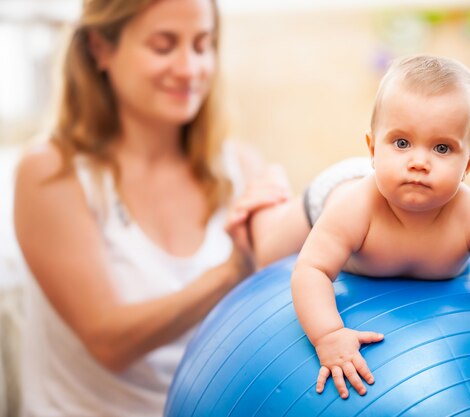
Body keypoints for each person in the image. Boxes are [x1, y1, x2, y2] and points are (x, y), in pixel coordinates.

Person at [13, 0, 288, 415]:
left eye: (202, 45)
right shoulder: (52, 172)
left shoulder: (238, 166)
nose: (189, 69)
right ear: (100, 49)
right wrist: (232, 271)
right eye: (163, 47)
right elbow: (109, 342)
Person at [275, 55, 470, 400]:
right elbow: (310, 269)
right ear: (374, 148)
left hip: (381, 182)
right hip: (333, 192)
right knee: (269, 245)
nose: (418, 162)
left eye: (442, 147)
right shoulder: (354, 209)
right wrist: (328, 334)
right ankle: (266, 204)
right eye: (401, 143)